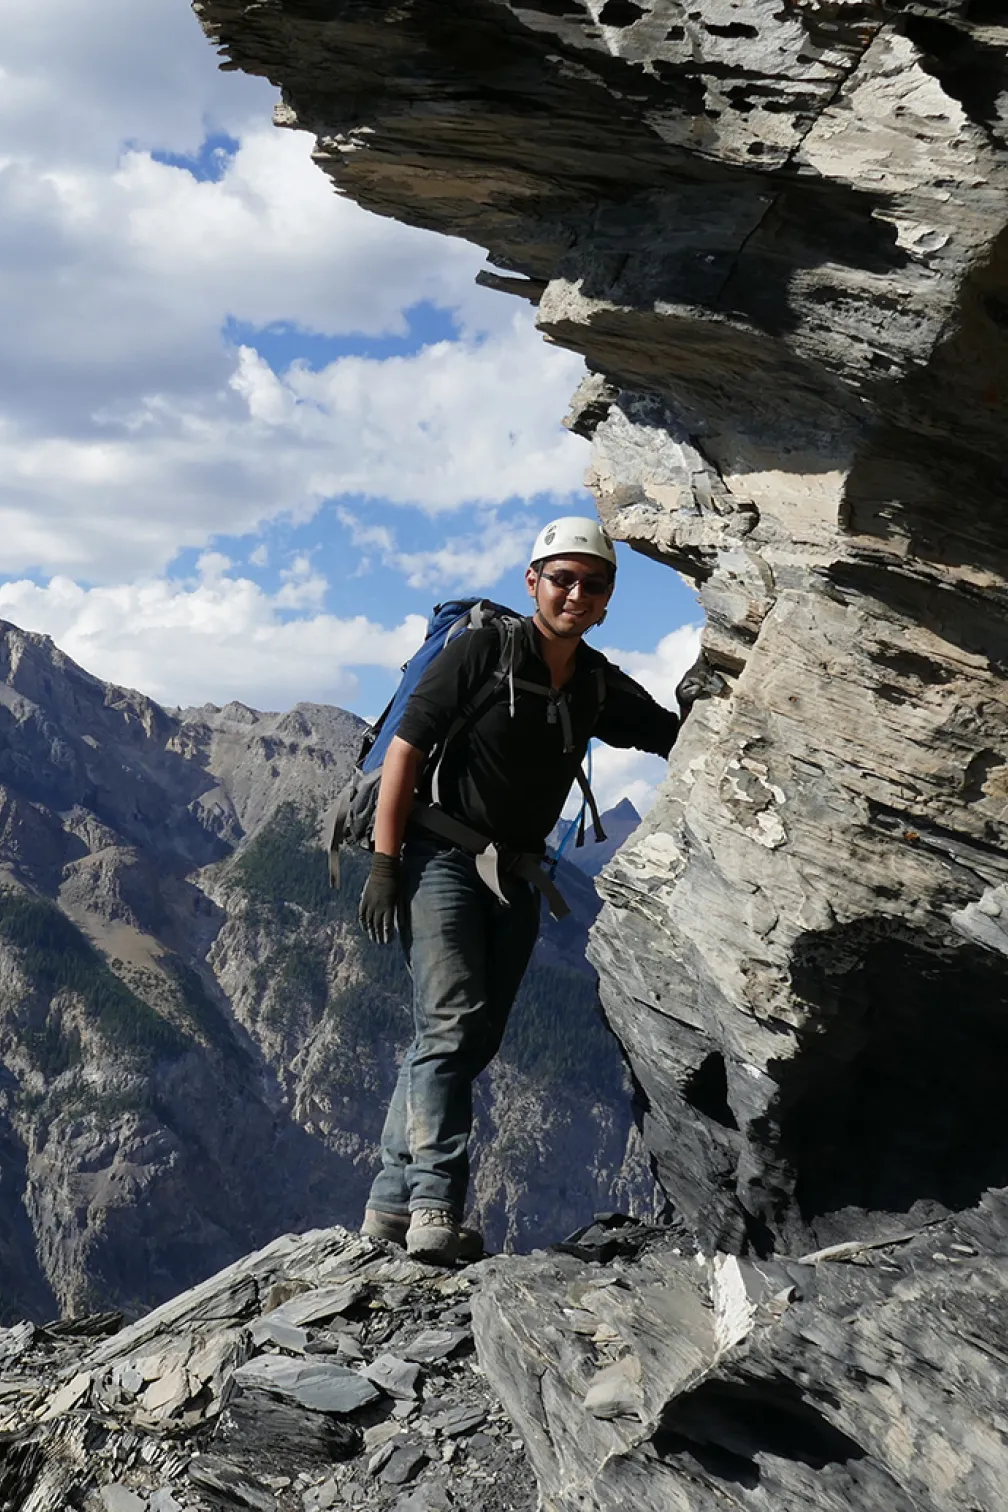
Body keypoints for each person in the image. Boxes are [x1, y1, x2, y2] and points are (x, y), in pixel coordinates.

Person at [357, 517, 680, 1263]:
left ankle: (387, 1201)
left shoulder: (597, 682)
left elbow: (668, 732)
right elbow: (406, 748)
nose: (574, 593)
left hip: (521, 875)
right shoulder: (480, 651)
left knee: (469, 1035)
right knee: (451, 1023)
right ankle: (435, 1205)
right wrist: (384, 862)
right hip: (438, 857)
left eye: (591, 583)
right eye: (560, 578)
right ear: (532, 581)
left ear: (607, 598)